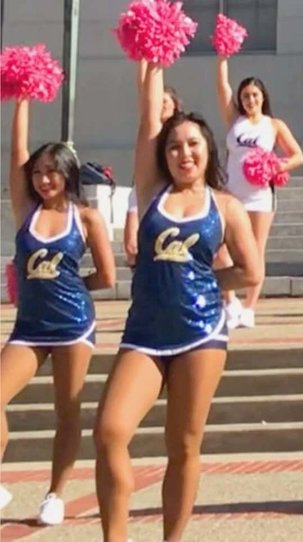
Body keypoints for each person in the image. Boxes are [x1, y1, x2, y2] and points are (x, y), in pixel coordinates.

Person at [94, 56, 263, 541]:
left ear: (208, 151)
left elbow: (252, 271)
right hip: (144, 335)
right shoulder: (151, 192)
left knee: (183, 444)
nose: (182, 153)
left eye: (192, 145)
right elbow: (149, 119)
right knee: (109, 432)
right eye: (173, 146)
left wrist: (208, 283)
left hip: (201, 335)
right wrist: (152, 60)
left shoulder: (225, 205)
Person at [4, 93, 118, 526]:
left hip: (72, 325)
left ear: (67, 174)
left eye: (51, 172)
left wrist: (66, 285)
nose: (42, 180)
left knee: (67, 410)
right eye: (37, 173)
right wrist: (21, 99)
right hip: (29, 326)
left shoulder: (85, 217)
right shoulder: (26, 211)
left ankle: (55, 494)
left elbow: (107, 277)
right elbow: (16, 153)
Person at [213, 48, 302, 327]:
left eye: (254, 95)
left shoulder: (274, 125)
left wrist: (275, 166)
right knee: (220, 250)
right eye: (245, 96)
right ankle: (230, 302)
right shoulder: (234, 121)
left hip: (261, 196)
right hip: (232, 194)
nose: (250, 100)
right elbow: (221, 86)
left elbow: (298, 156)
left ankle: (250, 308)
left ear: (263, 97)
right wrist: (222, 57)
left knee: (256, 251)